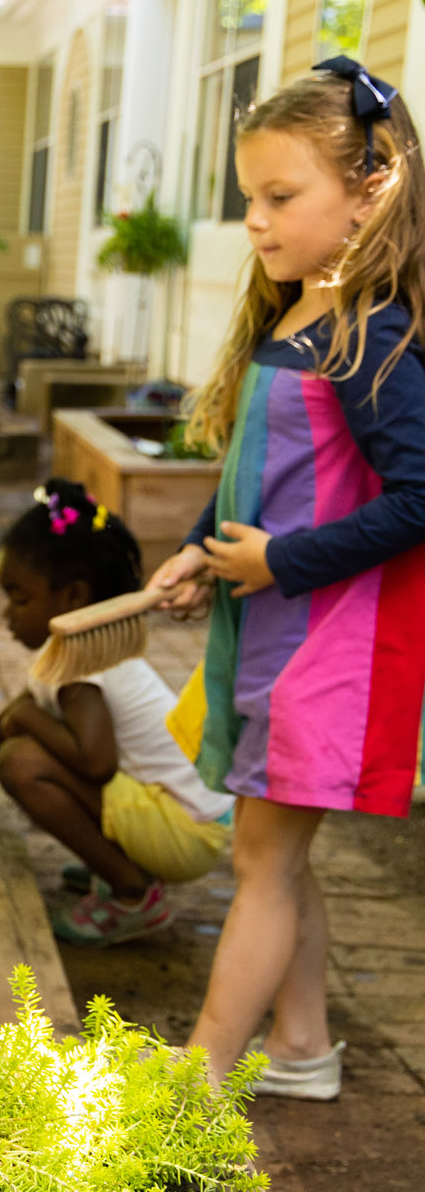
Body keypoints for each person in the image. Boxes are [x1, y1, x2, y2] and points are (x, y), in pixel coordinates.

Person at [148, 59, 425, 1101]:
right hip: (274, 630)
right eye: (249, 197)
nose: (255, 221)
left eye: (280, 196)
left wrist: (279, 562)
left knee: (263, 854)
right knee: (278, 850)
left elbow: (419, 496)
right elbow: (259, 472)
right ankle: (302, 1047)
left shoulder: (371, 333)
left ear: (370, 191)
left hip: (331, 645)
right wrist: (200, 547)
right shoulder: (298, 316)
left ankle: (200, 1076)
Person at [0, 480, 232, 939]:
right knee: (22, 744)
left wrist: (26, 718)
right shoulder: (77, 653)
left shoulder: (83, 673)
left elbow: (97, 762)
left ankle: (132, 893)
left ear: (72, 597)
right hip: (191, 820)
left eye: (20, 597)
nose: (8, 614)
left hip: (187, 834)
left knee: (23, 763)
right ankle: (122, 863)